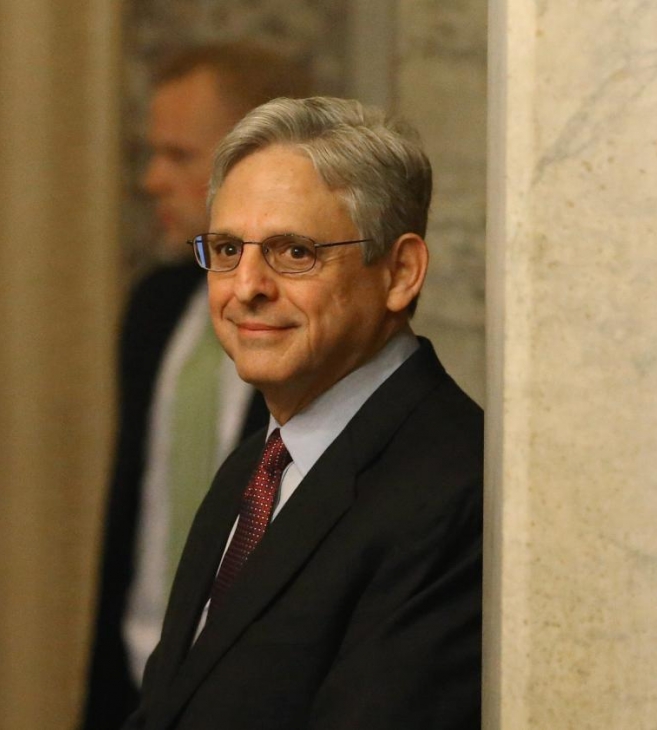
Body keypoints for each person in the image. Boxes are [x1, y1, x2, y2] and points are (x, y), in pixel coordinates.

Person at [124, 97, 483, 730]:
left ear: (400, 272)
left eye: (294, 253)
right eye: (229, 250)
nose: (247, 287)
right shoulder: (259, 463)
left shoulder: (456, 489)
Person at [82, 44, 311, 730]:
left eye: (178, 156)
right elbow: (132, 512)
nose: (152, 180)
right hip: (137, 675)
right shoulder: (155, 308)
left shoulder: (309, 325)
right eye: (152, 154)